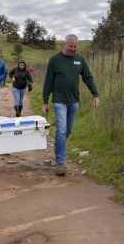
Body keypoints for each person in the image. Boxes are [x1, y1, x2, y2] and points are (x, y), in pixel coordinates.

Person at [42, 34, 100, 175]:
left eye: (75, 47)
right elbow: (48, 81)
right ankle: (60, 162)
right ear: (64, 44)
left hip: (74, 101)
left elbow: (88, 77)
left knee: (68, 129)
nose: (73, 49)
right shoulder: (55, 60)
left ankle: (58, 145)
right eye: (71, 46)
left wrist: (95, 95)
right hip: (59, 100)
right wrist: (45, 101)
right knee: (61, 129)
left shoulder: (79, 60)